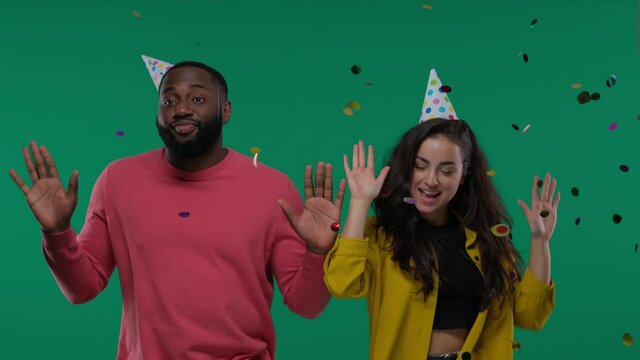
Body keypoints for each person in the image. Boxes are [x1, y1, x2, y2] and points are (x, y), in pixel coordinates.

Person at [8, 61, 346, 360]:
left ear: (225, 110)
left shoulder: (274, 189)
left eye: (197, 99)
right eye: (169, 100)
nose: (181, 109)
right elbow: (82, 289)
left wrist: (318, 251)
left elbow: (306, 305)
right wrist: (56, 234)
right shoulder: (117, 180)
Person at [324, 118, 558, 360]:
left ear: (463, 175)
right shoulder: (382, 235)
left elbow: (531, 315)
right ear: (407, 167)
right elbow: (343, 283)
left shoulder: (487, 241)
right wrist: (360, 202)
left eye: (446, 170)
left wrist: (541, 241)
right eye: (420, 165)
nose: (431, 180)